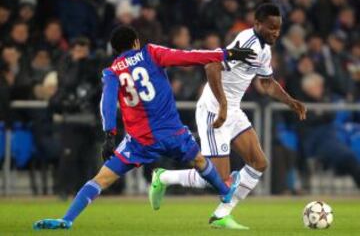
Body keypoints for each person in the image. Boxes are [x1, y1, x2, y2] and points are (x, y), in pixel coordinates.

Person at [32, 25, 256, 230]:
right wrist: (225, 54)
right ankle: (226, 194)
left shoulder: (112, 71)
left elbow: (107, 103)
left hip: (139, 141)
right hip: (172, 134)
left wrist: (110, 135)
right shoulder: (151, 53)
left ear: (116, 50)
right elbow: (188, 57)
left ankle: (67, 219)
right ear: (136, 42)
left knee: (100, 180)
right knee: (199, 161)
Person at [150, 3, 307, 230]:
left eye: (279, 28)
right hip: (214, 110)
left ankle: (221, 214)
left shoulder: (264, 49)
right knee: (217, 178)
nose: (276, 32)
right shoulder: (247, 42)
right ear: (257, 24)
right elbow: (212, 66)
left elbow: (266, 83)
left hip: (232, 110)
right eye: (271, 27)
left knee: (259, 163)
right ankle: (163, 177)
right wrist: (223, 105)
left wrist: (291, 102)